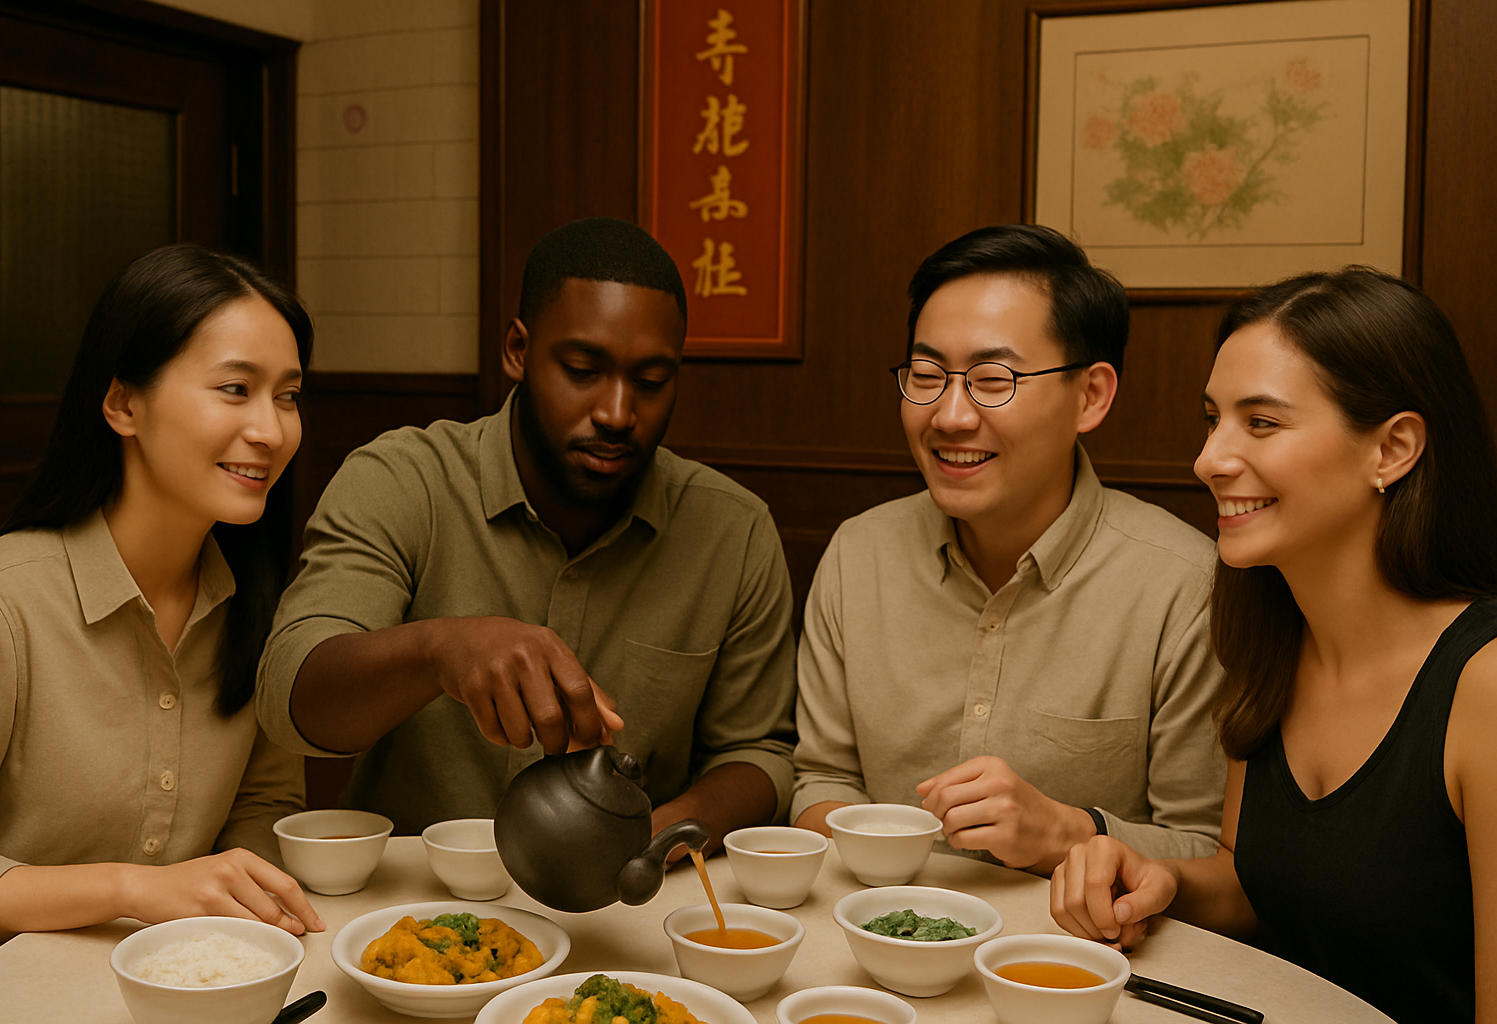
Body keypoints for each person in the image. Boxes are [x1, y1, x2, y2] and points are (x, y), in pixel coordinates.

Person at [255, 217, 797, 846]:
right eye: (582, 369)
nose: (617, 413)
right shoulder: (405, 481)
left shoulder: (733, 529)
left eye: (651, 382)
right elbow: (291, 697)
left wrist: (653, 836)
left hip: (619, 906)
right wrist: (440, 650)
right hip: (405, 911)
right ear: (517, 349)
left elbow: (759, 752)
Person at [1050, 268, 1497, 1024]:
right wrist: (1159, 878)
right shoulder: (1271, 639)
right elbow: (1256, 890)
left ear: (1393, 449)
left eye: (1260, 423)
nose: (1209, 459)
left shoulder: (1483, 687)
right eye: (1213, 418)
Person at [792, 224, 1226, 875]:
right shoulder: (860, 557)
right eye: (926, 373)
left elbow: (1209, 851)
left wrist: (1068, 833)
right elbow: (820, 779)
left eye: (993, 379)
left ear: (1091, 395)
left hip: (1081, 961)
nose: (950, 416)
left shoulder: (1182, 585)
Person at [0, 244, 323, 963]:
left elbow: (266, 806)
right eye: (234, 389)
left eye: (286, 395)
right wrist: (133, 890)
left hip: (194, 984)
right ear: (124, 403)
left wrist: (233, 900)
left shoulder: (260, 605)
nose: (270, 429)